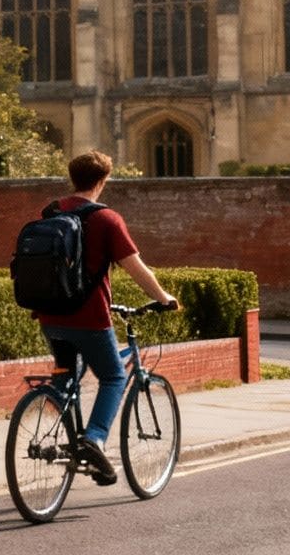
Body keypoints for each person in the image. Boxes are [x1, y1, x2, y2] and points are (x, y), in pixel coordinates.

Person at [38, 149, 178, 484]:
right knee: (114, 377)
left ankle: (61, 434)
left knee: (67, 378)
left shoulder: (50, 212)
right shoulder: (106, 219)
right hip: (89, 316)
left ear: (73, 178)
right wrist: (163, 297)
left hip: (49, 315)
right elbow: (135, 268)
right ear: (103, 181)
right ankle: (94, 439)